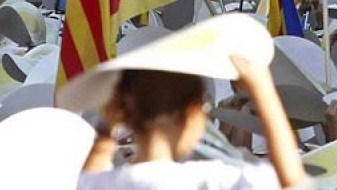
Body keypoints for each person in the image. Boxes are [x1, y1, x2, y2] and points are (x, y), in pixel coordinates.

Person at [80, 54, 310, 189]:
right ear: (190, 118)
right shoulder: (206, 179)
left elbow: (90, 176)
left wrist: (106, 128)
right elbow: (292, 181)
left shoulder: (107, 184)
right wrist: (263, 91)